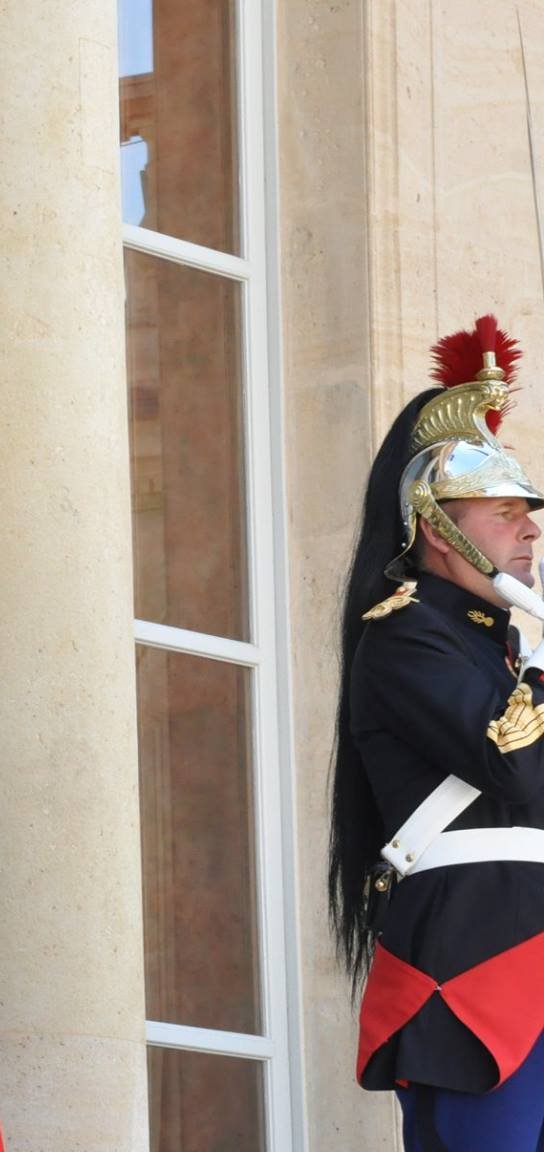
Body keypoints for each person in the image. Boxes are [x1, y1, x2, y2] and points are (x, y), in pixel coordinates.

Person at [330, 315, 544, 1150]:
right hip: (475, 969)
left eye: (527, 512)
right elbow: (513, 767)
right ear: (435, 526)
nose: (529, 529)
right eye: (502, 511)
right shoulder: (407, 634)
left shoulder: (507, 648)